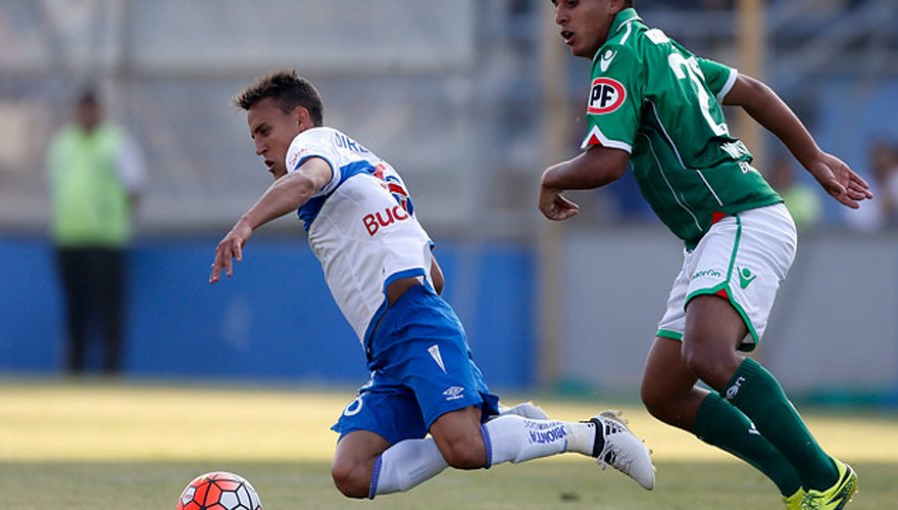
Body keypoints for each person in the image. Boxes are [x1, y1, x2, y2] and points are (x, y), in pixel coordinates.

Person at [209, 70, 655, 499]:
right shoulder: (375, 169)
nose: (258, 146)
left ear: (301, 119)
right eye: (254, 136)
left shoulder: (314, 147)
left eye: (264, 130)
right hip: (393, 344)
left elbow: (305, 182)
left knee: (465, 448)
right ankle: (505, 427)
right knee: (352, 471)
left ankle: (595, 435)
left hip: (413, 323)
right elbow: (431, 269)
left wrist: (246, 224)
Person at [540, 1, 873, 509]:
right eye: (554, 5)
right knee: (664, 391)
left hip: (741, 217)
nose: (560, 15)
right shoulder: (659, 46)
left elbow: (608, 161)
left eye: (571, 2)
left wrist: (550, 178)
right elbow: (754, 92)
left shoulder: (619, 55)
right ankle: (794, 484)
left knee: (708, 354)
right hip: (714, 231)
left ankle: (825, 477)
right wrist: (813, 158)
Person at [47, 89, 146, 374]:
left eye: (91, 109)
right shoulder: (62, 144)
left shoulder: (116, 142)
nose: (86, 115)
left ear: (99, 111)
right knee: (75, 308)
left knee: (108, 310)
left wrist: (115, 216)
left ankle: (110, 369)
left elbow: (134, 187)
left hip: (106, 240)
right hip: (68, 238)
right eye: (82, 109)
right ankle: (74, 368)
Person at [767, 153, 823, 231]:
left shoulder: (804, 195)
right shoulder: (767, 196)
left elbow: (811, 224)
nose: (782, 177)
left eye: (785, 172)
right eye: (779, 173)